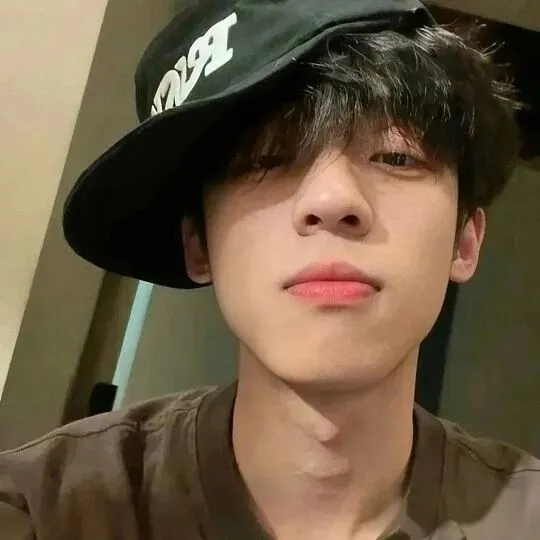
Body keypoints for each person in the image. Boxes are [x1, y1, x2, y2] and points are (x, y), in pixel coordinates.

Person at [1, 0, 538, 538]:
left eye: (396, 157)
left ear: (465, 240)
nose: (332, 199)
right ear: (198, 244)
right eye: (265, 159)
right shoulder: (41, 511)